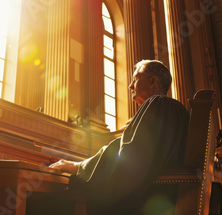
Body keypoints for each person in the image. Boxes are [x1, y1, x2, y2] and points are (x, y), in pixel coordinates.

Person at [49, 60, 190, 215]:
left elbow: (130, 154)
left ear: (152, 81)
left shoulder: (157, 104)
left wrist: (79, 168)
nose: (130, 86)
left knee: (64, 193)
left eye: (135, 79)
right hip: (166, 196)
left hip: (150, 200)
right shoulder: (177, 110)